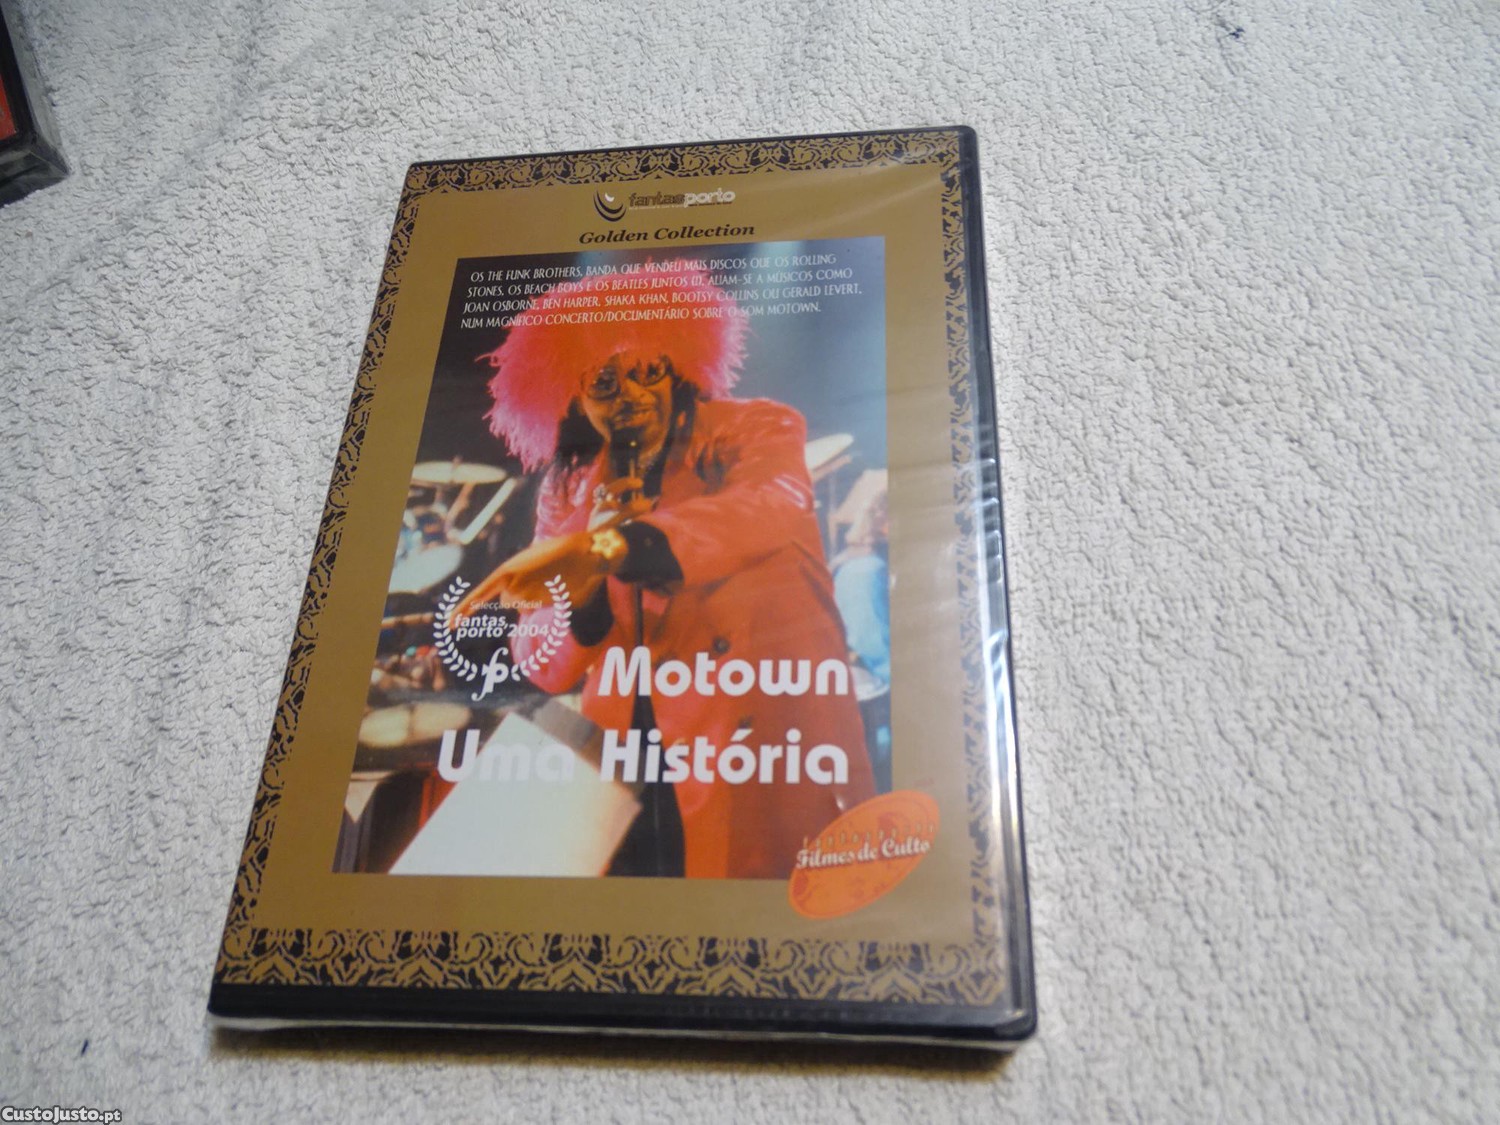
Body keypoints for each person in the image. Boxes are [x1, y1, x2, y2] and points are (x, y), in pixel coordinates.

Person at [458, 259, 874, 879]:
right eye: (603, 381)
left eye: (647, 371)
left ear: (678, 365)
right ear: (574, 397)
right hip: (628, 763)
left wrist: (611, 548)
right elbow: (539, 660)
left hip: (752, 746)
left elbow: (766, 507)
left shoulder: (757, 426)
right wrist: (585, 592)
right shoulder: (569, 490)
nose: (629, 395)